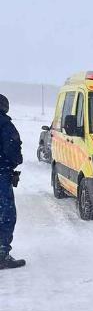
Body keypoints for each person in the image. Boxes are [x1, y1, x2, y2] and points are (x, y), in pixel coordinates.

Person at [0, 94, 25, 269]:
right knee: (5, 214)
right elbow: (13, 149)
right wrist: (16, 160)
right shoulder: (5, 125)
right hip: (1, 174)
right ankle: (2, 254)